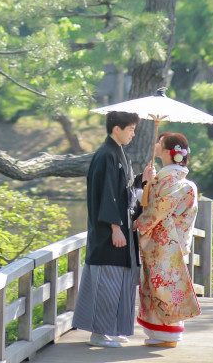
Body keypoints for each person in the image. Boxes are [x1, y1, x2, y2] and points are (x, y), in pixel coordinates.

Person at [73, 111, 156, 347]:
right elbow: (107, 196)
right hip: (110, 233)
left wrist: (141, 179)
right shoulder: (106, 155)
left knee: (121, 281)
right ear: (116, 128)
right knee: (107, 282)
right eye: (130, 129)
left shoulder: (118, 153)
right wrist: (114, 227)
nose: (133, 133)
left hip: (122, 229)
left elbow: (124, 189)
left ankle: (113, 329)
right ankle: (99, 332)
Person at [133, 131, 200, 348]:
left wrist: (140, 222)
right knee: (164, 286)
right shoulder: (172, 179)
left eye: (160, 143)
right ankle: (162, 334)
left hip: (164, 243)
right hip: (170, 241)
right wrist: (148, 182)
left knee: (164, 287)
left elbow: (160, 209)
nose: (156, 145)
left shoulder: (172, 180)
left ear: (169, 152)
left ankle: (166, 334)